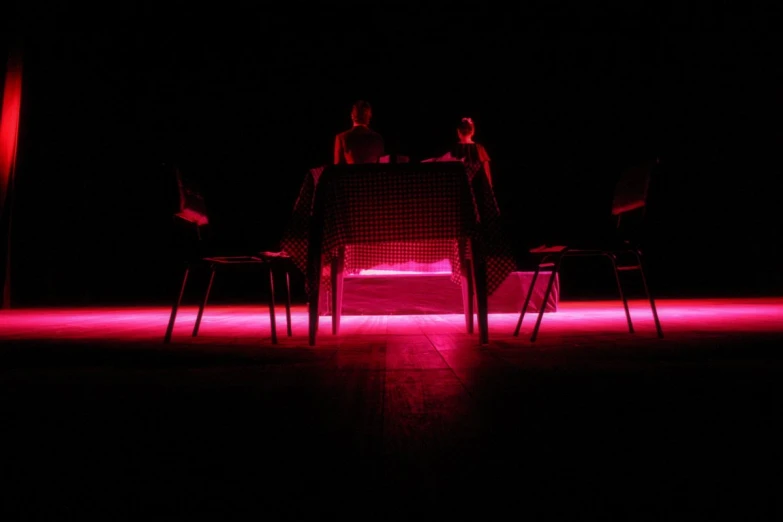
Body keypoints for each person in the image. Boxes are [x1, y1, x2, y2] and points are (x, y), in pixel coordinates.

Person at [334, 100, 385, 165]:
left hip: (351, 174)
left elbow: (337, 169)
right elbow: (382, 165)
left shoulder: (341, 138)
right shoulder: (378, 138)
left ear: (352, 116)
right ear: (369, 116)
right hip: (371, 175)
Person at [452, 117, 493, 188]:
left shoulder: (454, 148)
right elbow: (487, 173)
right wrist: (489, 189)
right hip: (477, 189)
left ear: (458, 131)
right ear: (473, 131)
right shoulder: (480, 149)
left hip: (458, 189)